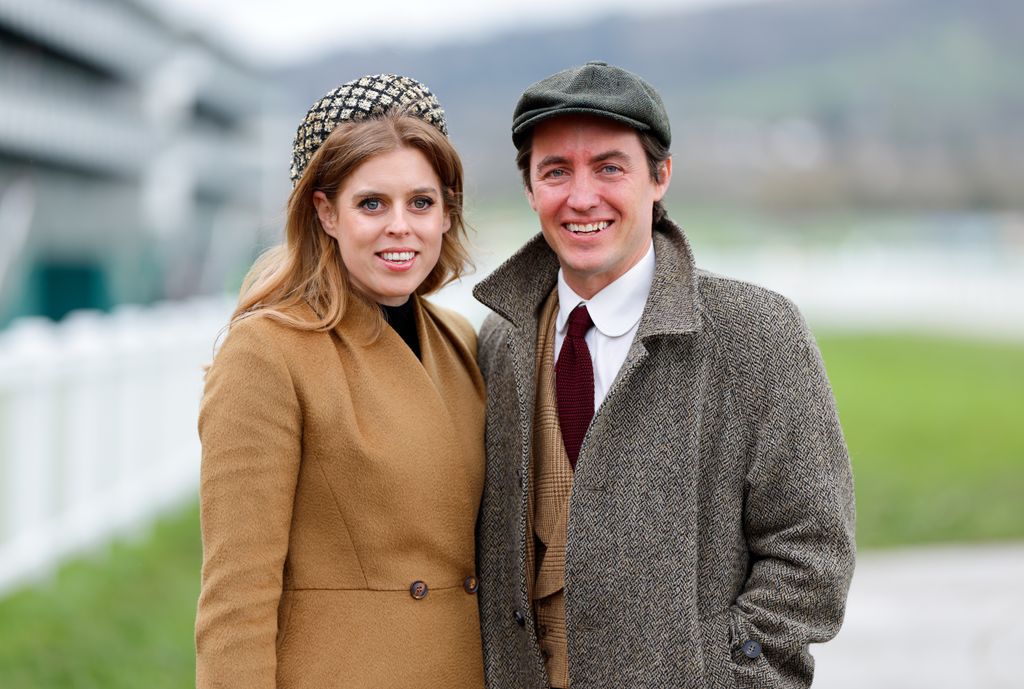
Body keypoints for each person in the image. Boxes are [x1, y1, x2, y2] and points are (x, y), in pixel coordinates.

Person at [472, 61, 855, 688]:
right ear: (530, 188)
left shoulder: (758, 331)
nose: (581, 196)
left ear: (660, 177)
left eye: (609, 167)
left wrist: (738, 679)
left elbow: (811, 551)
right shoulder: (499, 339)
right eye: (556, 171)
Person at [195, 74, 486, 689]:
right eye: (372, 203)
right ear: (326, 212)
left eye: (422, 202)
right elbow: (236, 600)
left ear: (446, 213)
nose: (401, 226)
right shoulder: (268, 352)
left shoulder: (462, 341)